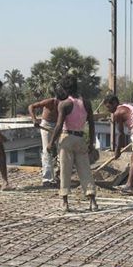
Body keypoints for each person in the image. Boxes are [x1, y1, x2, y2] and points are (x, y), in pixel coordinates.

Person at [48, 75, 98, 212]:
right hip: (81, 138)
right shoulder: (86, 103)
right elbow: (92, 124)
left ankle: (65, 202)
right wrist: (92, 142)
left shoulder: (64, 104)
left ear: (64, 89)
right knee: (85, 170)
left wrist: (51, 142)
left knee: (65, 170)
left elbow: (59, 126)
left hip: (66, 138)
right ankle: (92, 200)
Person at [28, 85, 67, 187]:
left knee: (62, 151)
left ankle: (59, 176)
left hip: (59, 126)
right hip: (47, 125)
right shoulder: (50, 102)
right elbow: (31, 106)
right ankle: (47, 179)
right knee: (47, 151)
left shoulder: (66, 104)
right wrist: (34, 119)